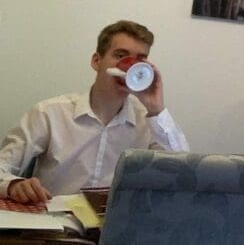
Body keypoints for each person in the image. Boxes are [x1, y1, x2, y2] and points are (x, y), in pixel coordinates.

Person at [0, 20, 189, 203]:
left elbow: (183, 174)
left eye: (140, 60)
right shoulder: (49, 113)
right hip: (57, 225)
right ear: (97, 61)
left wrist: (156, 109)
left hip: (118, 226)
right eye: (121, 56)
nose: (129, 67)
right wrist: (14, 185)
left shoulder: (149, 121)